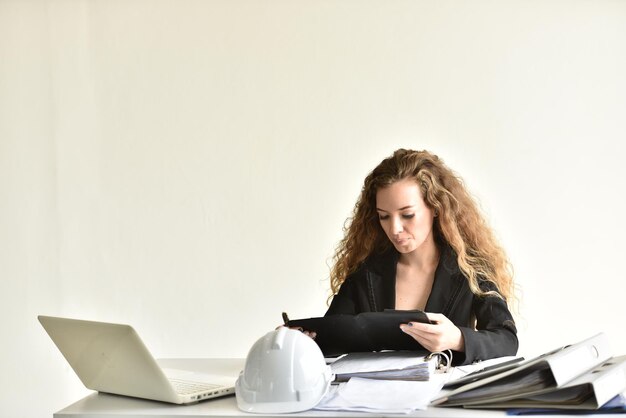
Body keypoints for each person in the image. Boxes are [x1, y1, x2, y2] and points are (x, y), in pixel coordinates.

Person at [324, 149, 518, 365]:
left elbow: (507, 340)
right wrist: (300, 339)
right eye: (384, 216)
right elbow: (330, 335)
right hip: (371, 397)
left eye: (407, 215)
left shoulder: (471, 268)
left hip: (446, 397)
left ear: (435, 207)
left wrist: (458, 339)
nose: (395, 228)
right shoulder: (365, 272)